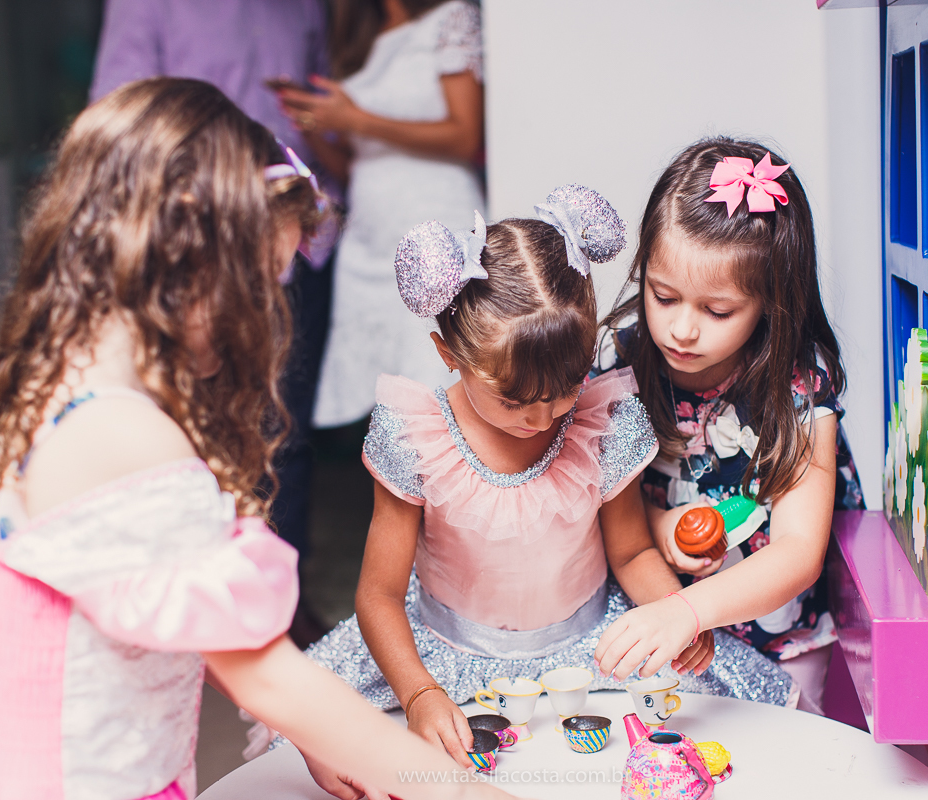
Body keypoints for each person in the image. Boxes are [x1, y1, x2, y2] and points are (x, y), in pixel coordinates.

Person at [0, 78, 516, 800]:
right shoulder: (119, 430)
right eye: (262, 282)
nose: (267, 315)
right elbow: (262, 668)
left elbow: (174, 609)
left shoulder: (72, 387)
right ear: (188, 256)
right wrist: (454, 790)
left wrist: (313, 734)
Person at [303, 184, 794, 770]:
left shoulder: (599, 423)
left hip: (585, 647)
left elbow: (633, 551)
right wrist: (420, 693)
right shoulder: (416, 438)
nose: (544, 418)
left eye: (566, 390)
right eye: (515, 402)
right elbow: (378, 594)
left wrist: (672, 613)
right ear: (448, 354)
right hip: (441, 656)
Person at [592, 138, 865, 716]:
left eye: (717, 312)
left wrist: (688, 612)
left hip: (781, 637)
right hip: (658, 621)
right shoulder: (618, 363)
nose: (682, 331)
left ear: (770, 301)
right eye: (663, 296)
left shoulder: (799, 380)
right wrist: (662, 534)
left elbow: (797, 548)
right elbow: (603, 513)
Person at [90, 2, 341, 632]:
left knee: (283, 428)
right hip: (210, 242)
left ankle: (273, 592)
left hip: (287, 229)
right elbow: (120, 120)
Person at [274, 0, 485, 428]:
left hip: (434, 221)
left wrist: (356, 118)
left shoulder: (451, 17)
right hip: (370, 234)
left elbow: (465, 135)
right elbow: (356, 165)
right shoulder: (359, 38)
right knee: (386, 404)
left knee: (438, 381)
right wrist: (314, 128)